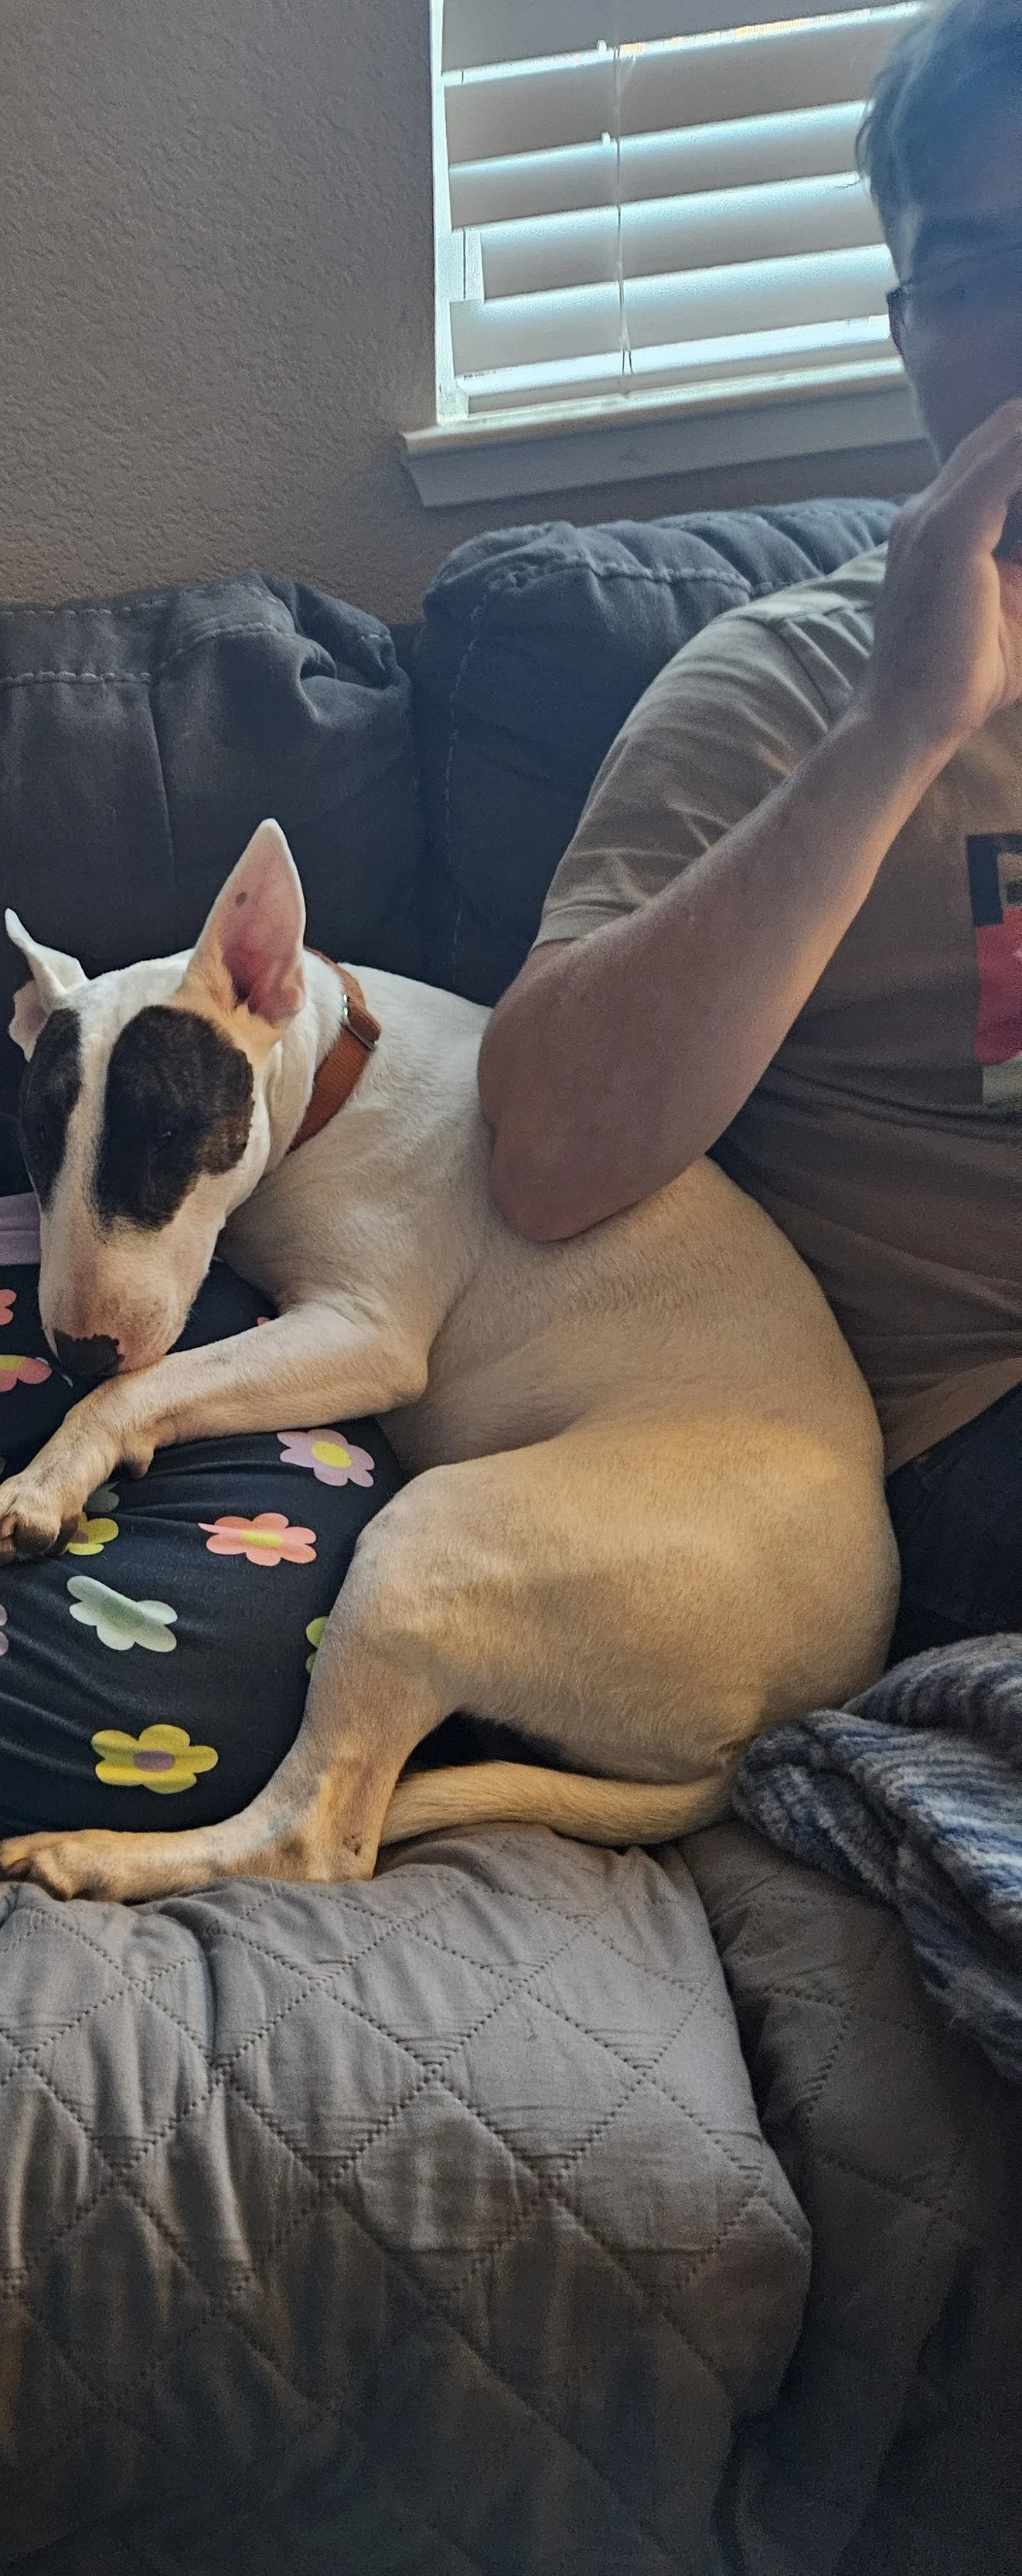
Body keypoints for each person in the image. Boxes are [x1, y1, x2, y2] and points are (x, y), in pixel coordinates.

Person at [478, 0, 1022, 1662]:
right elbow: (546, 1149)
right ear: (903, 330)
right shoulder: (783, 685)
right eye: (973, 273)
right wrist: (895, 730)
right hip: (970, 1439)